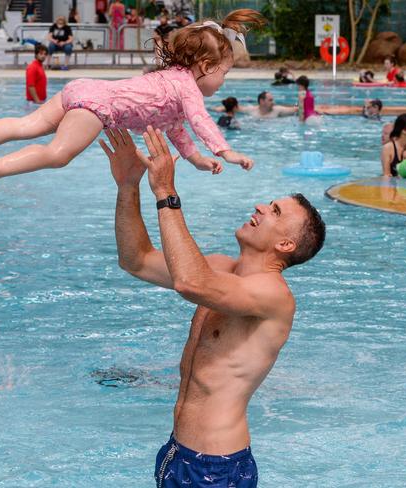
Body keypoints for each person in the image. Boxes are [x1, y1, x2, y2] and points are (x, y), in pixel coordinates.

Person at [100, 126, 325, 488]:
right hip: (176, 452)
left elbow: (190, 283)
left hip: (217, 468)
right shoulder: (220, 268)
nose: (260, 207)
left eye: (275, 210)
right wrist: (128, 187)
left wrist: (166, 190)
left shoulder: (274, 297)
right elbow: (136, 260)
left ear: (285, 244)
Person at [0, 9, 263, 203]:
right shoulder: (186, 86)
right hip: (97, 108)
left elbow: (178, 129)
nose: (223, 82)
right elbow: (200, 120)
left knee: (27, 125)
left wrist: (196, 160)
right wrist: (225, 152)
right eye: (225, 73)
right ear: (206, 66)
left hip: (84, 89)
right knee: (57, 155)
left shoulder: (172, 80)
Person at [214, 91, 295, 118]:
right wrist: (219, 109)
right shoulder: (251, 110)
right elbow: (233, 108)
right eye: (270, 100)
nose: (273, 102)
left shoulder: (278, 110)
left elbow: (295, 110)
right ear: (262, 101)